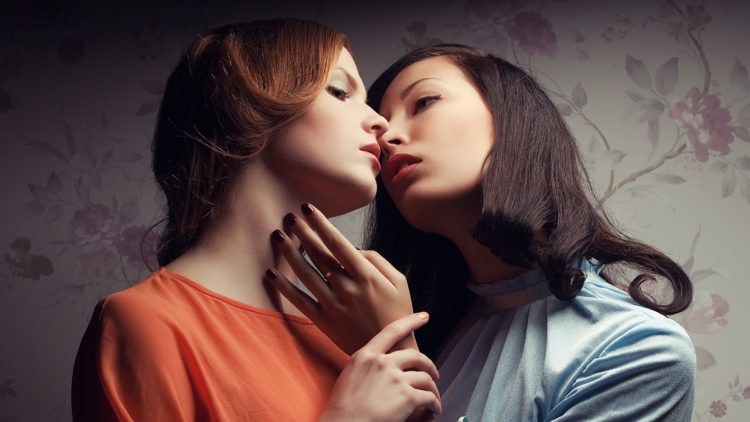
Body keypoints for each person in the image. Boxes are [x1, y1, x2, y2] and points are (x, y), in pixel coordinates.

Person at [271, 44, 696, 421]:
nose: (388, 137)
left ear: (510, 118)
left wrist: (399, 355)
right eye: (382, 123)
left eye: (423, 102)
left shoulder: (637, 350)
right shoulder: (433, 325)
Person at [71, 20, 442, 422]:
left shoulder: (353, 338)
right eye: (339, 91)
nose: (380, 123)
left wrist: (398, 342)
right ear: (242, 109)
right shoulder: (145, 324)